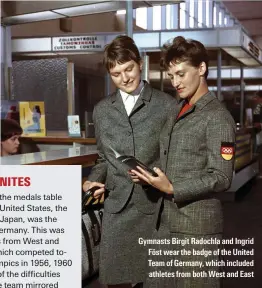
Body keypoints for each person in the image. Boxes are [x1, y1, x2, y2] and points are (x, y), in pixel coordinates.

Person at [131, 36, 236, 288]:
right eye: (171, 76)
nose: (175, 82)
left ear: (201, 69)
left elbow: (221, 177)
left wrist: (173, 188)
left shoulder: (217, 117)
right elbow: (174, 159)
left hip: (196, 229)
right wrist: (150, 178)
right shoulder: (178, 109)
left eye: (181, 74)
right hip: (165, 224)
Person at [82, 35, 176, 287]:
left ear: (140, 63)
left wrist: (157, 176)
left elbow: (175, 156)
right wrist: (92, 180)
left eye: (128, 69)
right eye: (115, 74)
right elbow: (103, 158)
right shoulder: (102, 110)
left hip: (153, 207)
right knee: (115, 278)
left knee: (153, 279)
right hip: (117, 206)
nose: (124, 78)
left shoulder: (167, 106)